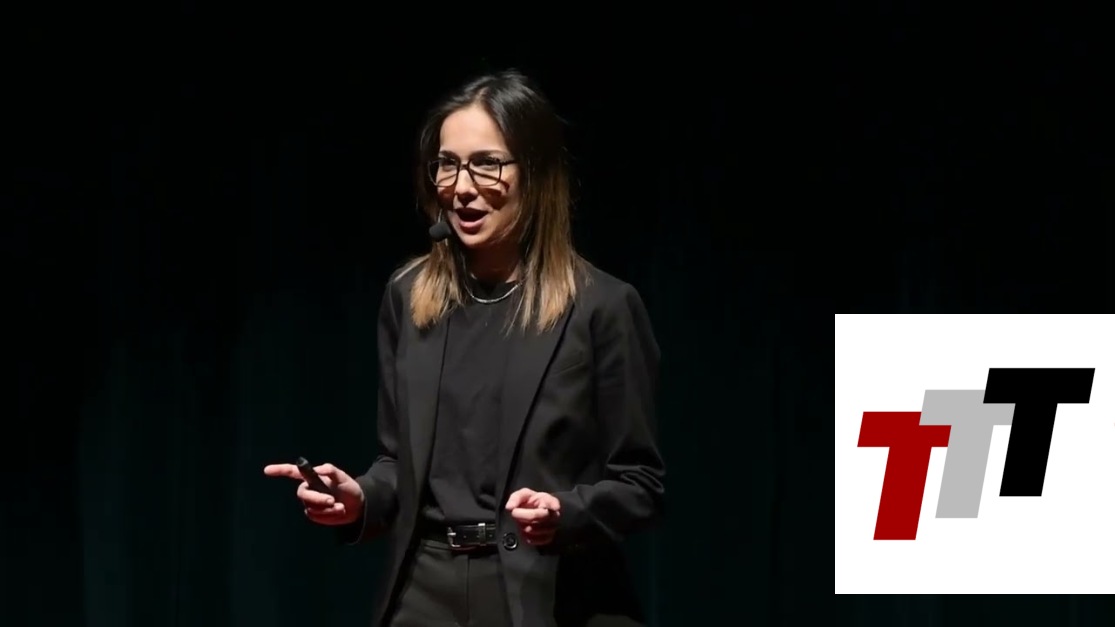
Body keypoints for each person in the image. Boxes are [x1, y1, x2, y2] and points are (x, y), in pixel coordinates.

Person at [264, 69, 665, 627]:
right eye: (447, 164)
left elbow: (640, 484)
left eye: (487, 164)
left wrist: (566, 513)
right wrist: (359, 497)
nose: (461, 186)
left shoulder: (601, 306)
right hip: (425, 589)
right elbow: (398, 464)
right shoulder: (409, 297)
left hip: (547, 593)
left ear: (537, 175)